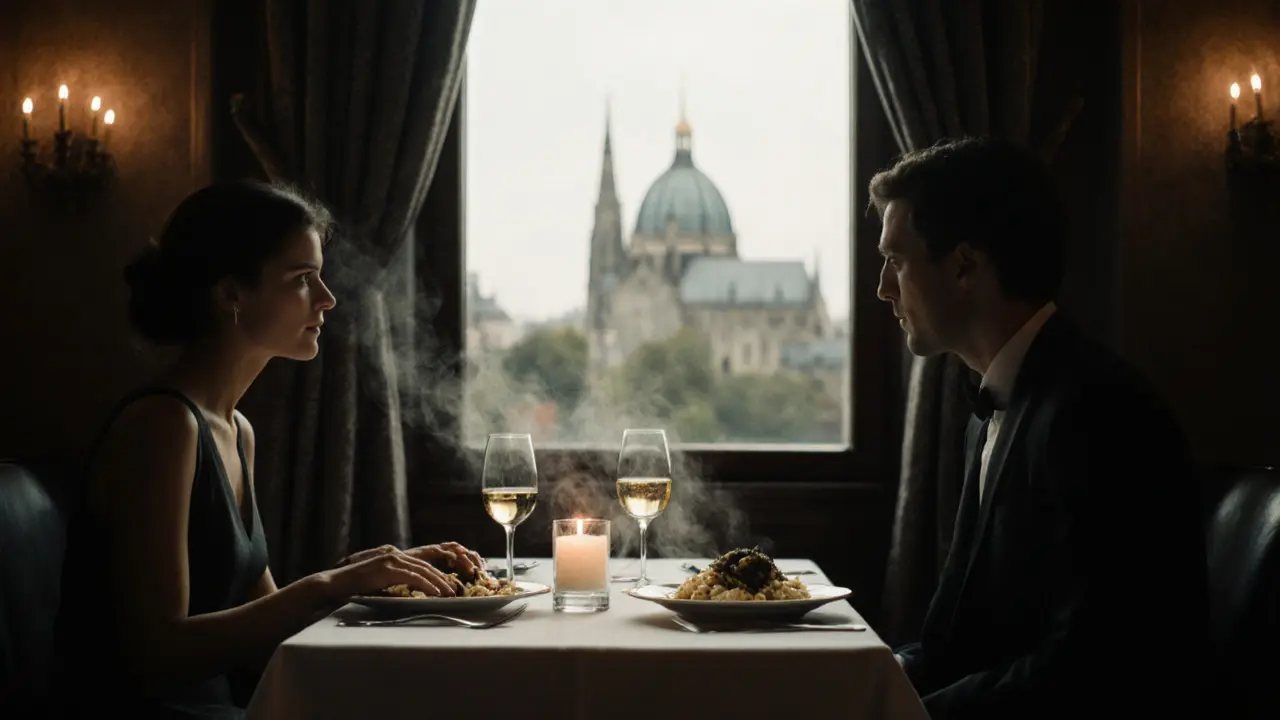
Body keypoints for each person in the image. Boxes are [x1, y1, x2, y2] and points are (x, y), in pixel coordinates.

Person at [55, 180, 486, 719]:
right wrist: (335, 584)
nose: (327, 298)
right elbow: (154, 655)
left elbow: (264, 627)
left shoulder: (237, 430)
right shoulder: (164, 426)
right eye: (303, 279)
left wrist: (376, 575)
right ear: (231, 293)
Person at [872, 137, 1208, 719]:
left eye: (897, 261)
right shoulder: (1002, 404)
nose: (884, 289)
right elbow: (958, 642)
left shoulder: (1099, 413)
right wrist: (865, 679)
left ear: (964, 268)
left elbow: (1094, 666)